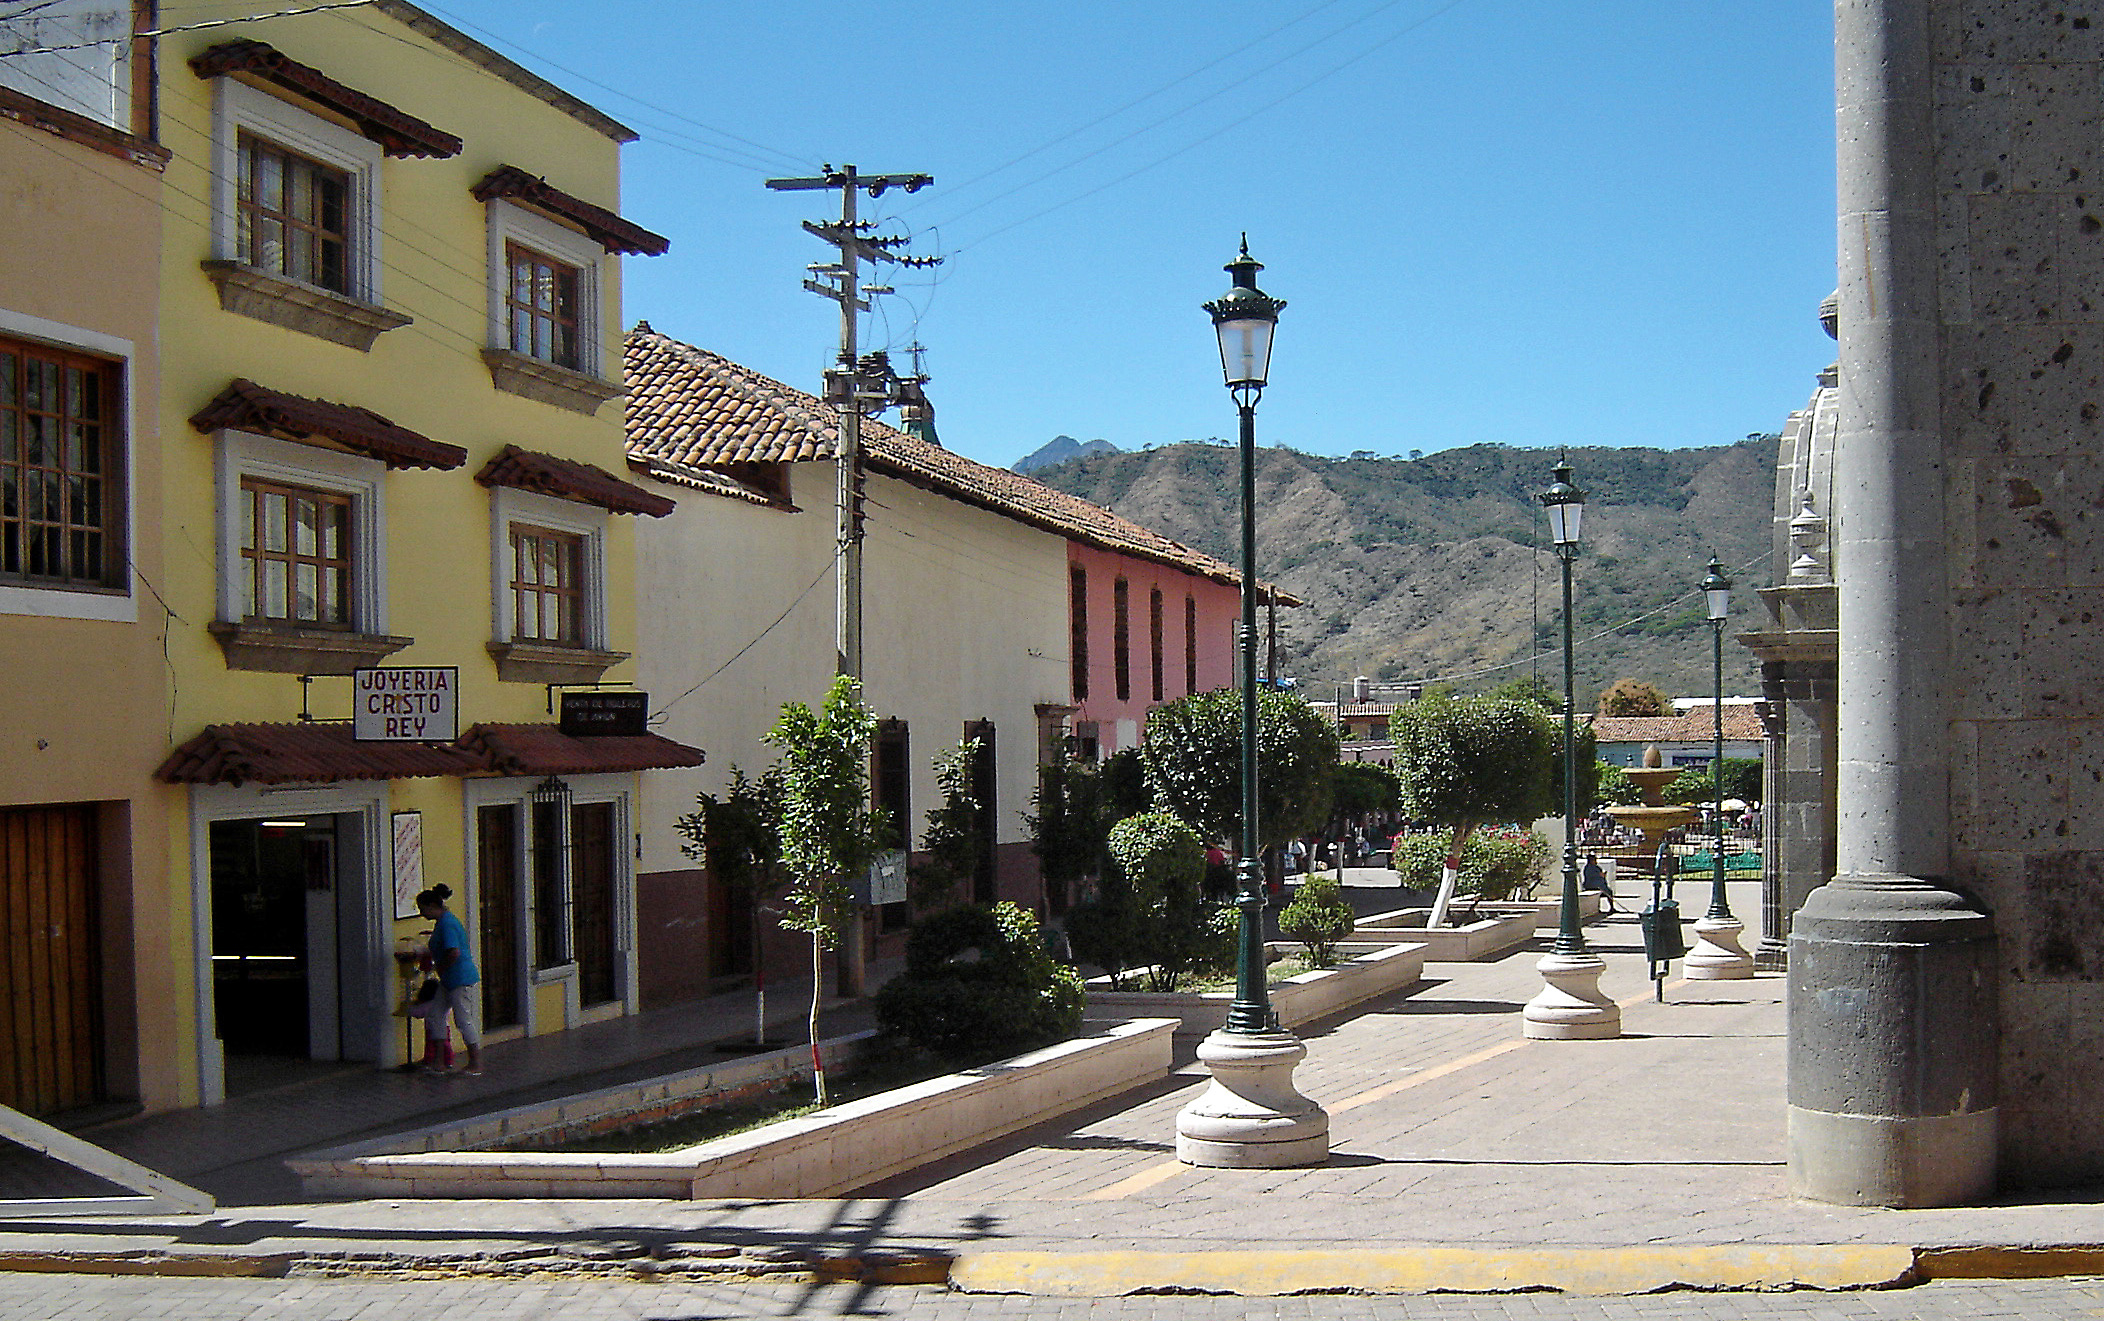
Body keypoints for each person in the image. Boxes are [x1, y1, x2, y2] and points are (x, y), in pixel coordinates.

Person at [417, 884, 483, 1075]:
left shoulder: (447, 924)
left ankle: (475, 1062)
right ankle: (439, 1061)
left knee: (463, 1019)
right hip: (448, 980)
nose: (422, 913)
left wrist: (440, 967)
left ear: (432, 906)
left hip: (459, 978)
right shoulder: (443, 922)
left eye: (423, 909)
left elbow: (454, 952)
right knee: (435, 1014)